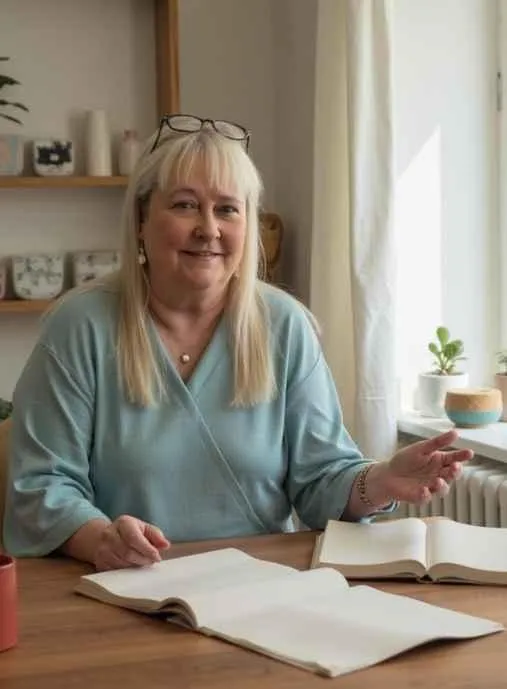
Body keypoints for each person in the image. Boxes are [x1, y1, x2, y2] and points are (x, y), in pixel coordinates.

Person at [2, 114, 472, 571]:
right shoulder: (80, 325)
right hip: (121, 588)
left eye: (227, 209)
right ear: (141, 219)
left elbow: (322, 479)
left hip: (258, 588)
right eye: (185, 205)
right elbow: (42, 486)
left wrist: (382, 480)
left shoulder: (284, 325)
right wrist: (102, 539)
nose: (209, 228)